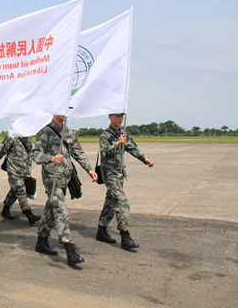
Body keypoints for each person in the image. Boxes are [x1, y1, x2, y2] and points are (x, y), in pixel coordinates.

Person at [32, 115, 97, 266]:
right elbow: (35, 155)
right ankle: (70, 249)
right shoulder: (45, 131)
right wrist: (51, 158)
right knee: (61, 210)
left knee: (51, 209)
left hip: (65, 177)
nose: (65, 113)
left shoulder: (67, 131)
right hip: (52, 179)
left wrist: (89, 169)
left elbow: (78, 152)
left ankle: (41, 241)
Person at [96, 113, 154, 251]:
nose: (120, 119)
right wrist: (117, 144)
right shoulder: (105, 135)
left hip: (119, 174)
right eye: (117, 116)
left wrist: (145, 159)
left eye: (121, 116)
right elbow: (105, 152)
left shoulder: (123, 134)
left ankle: (101, 230)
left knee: (110, 201)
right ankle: (125, 236)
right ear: (110, 117)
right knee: (122, 202)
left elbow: (133, 148)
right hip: (109, 174)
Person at [0, 134, 41, 225]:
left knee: (15, 190)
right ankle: (28, 214)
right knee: (20, 189)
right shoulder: (11, 137)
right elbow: (0, 152)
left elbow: (30, 153)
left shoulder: (27, 136)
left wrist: (29, 168)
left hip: (24, 170)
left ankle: (5, 209)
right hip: (13, 169)